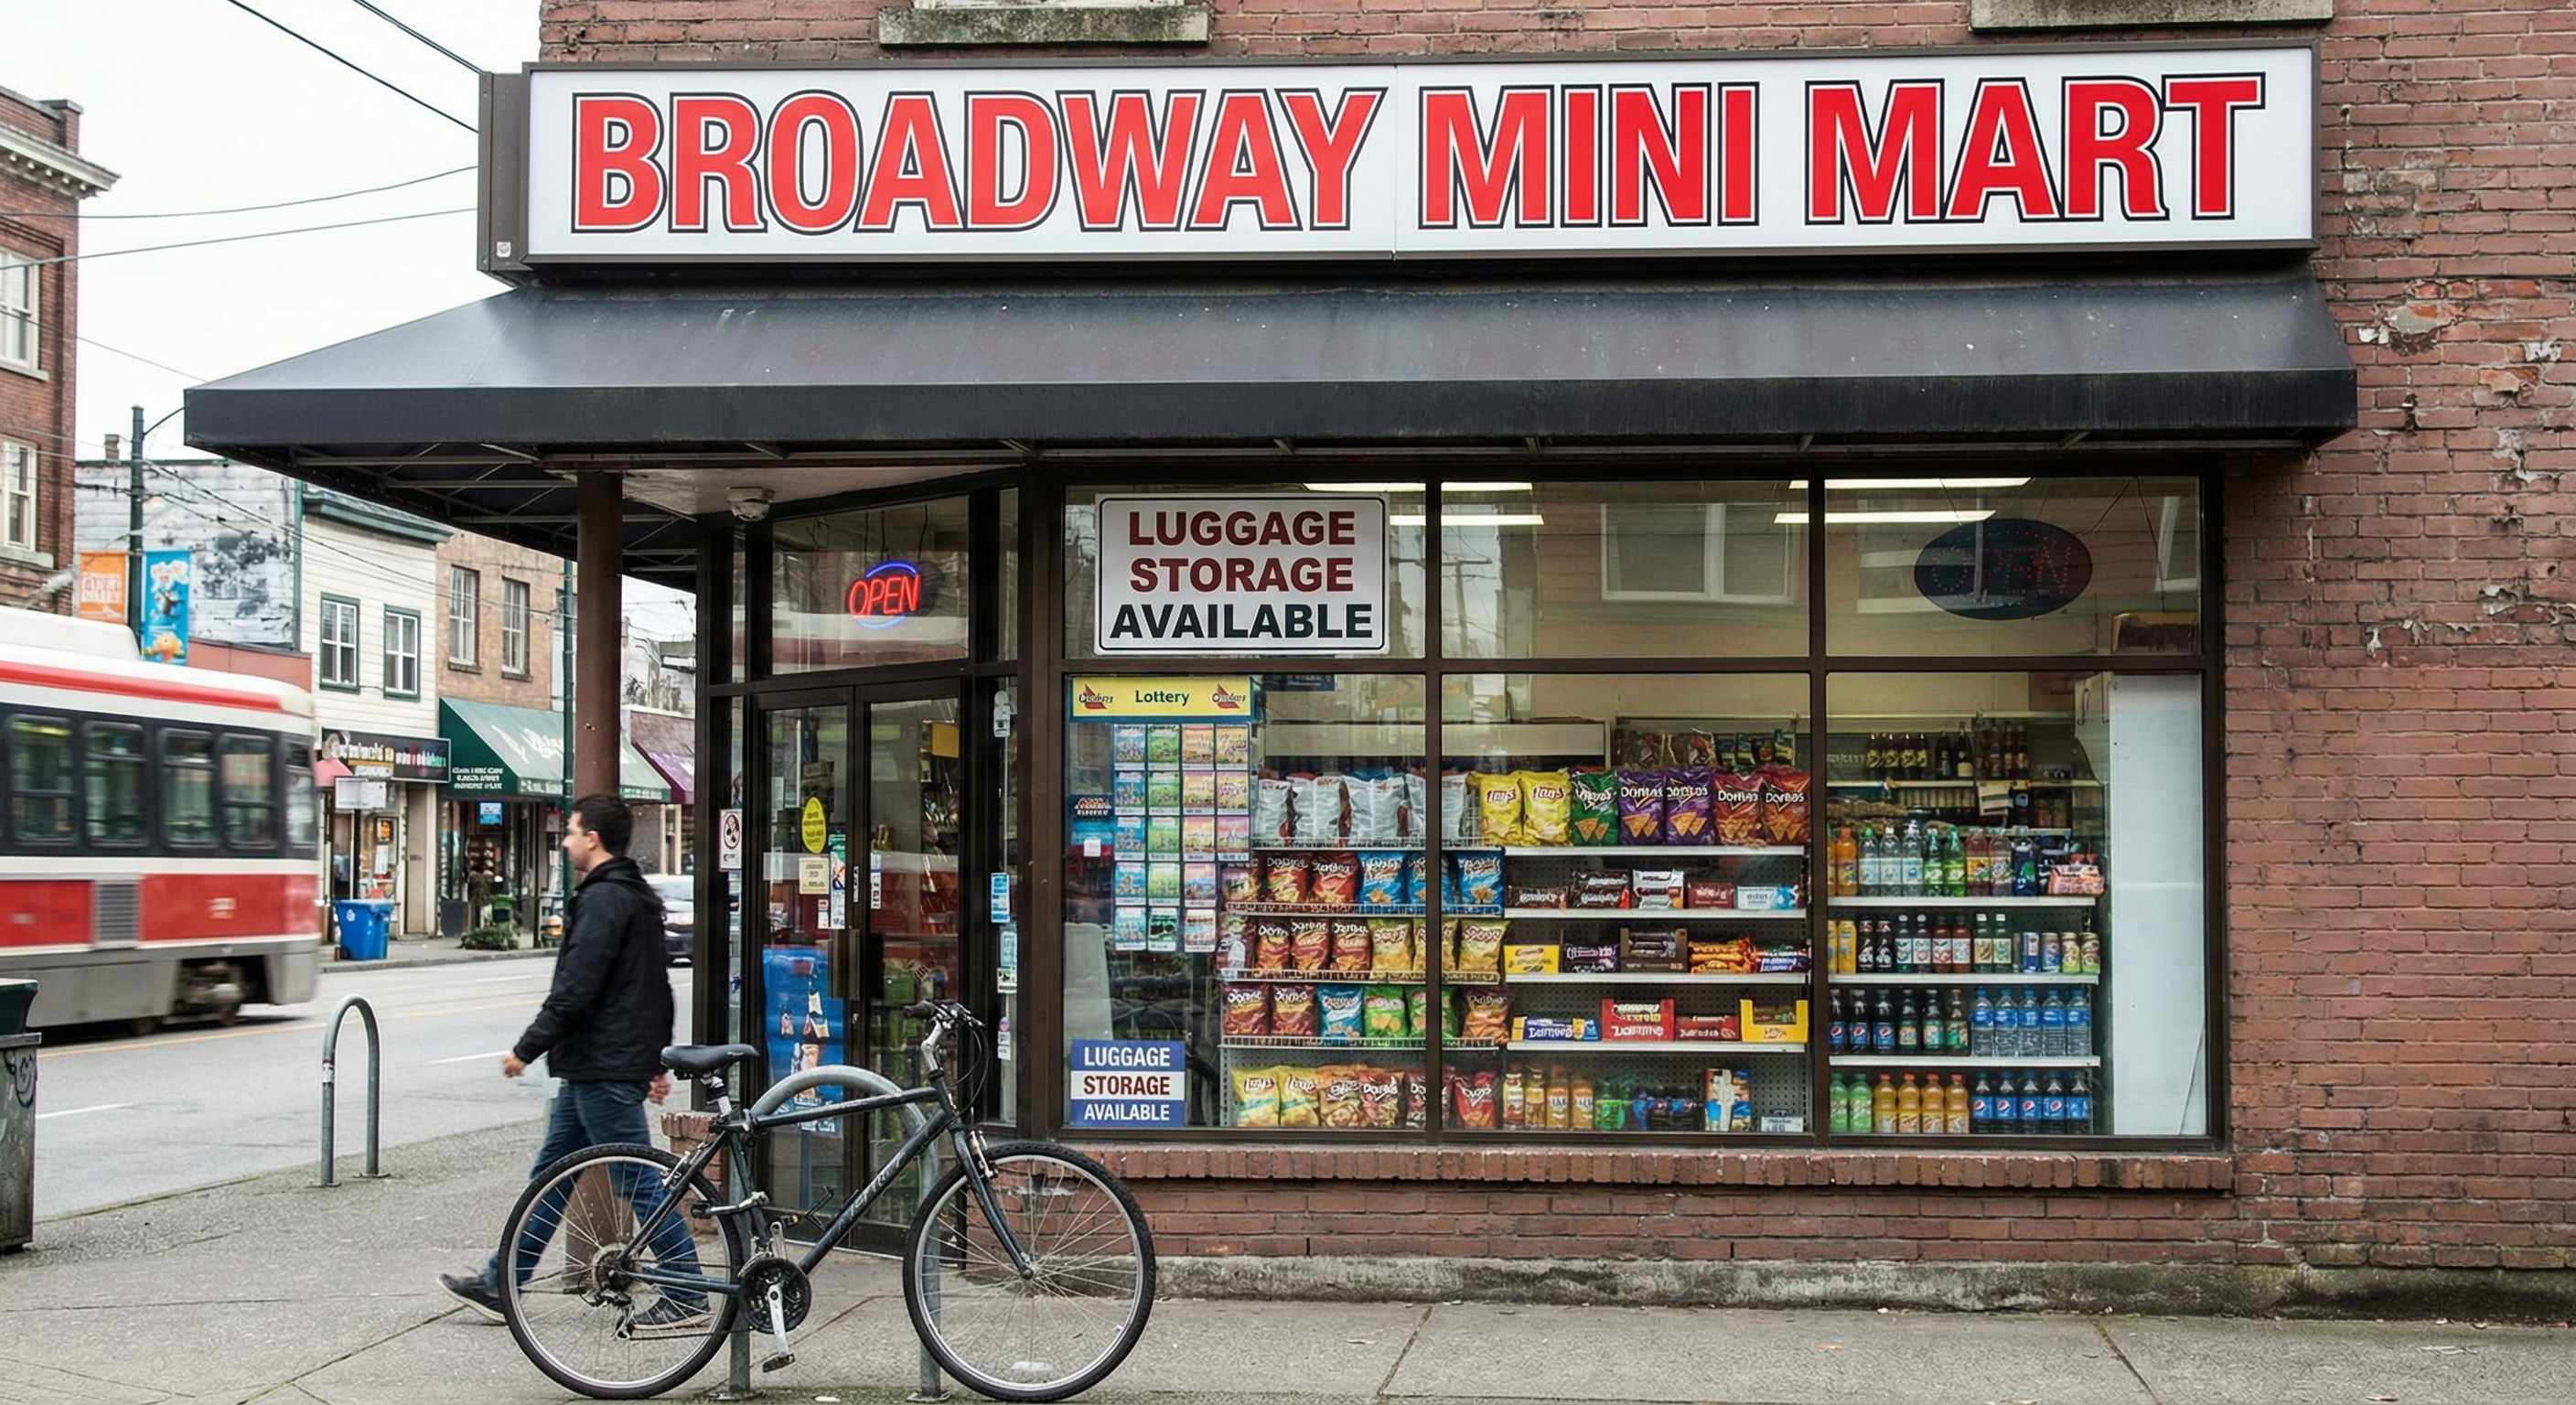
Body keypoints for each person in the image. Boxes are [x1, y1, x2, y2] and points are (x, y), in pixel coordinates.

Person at [439, 794, 704, 1330]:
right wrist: (654, 1059)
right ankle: (500, 1282)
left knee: (637, 1178)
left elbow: (576, 990)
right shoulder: (637, 897)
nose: (564, 842)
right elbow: (657, 990)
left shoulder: (605, 900)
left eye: (572, 832)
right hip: (600, 1066)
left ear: (593, 839)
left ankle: (687, 1288)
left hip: (601, 1066)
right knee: (552, 1176)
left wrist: (526, 1049)